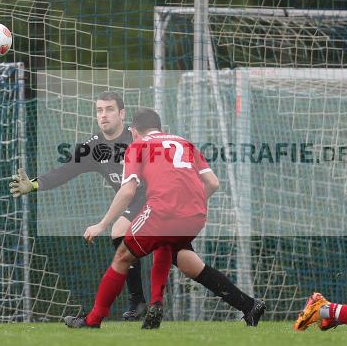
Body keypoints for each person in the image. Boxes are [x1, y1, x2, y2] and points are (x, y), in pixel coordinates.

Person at [63, 108, 265, 329]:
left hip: (163, 211)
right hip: (196, 213)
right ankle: (249, 306)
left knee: (122, 256)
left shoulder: (137, 146)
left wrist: (102, 224)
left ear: (133, 132)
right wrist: (189, 206)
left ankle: (92, 320)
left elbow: (128, 190)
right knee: (186, 261)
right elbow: (213, 183)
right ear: (160, 128)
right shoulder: (184, 143)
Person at [9, 91, 150, 320]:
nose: (103, 115)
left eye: (110, 109)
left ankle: (138, 302)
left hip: (157, 201)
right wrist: (33, 185)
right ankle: (139, 302)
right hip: (134, 205)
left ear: (122, 114)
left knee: (174, 254)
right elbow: (64, 171)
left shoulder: (137, 139)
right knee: (155, 248)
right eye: (99, 110)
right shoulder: (94, 146)